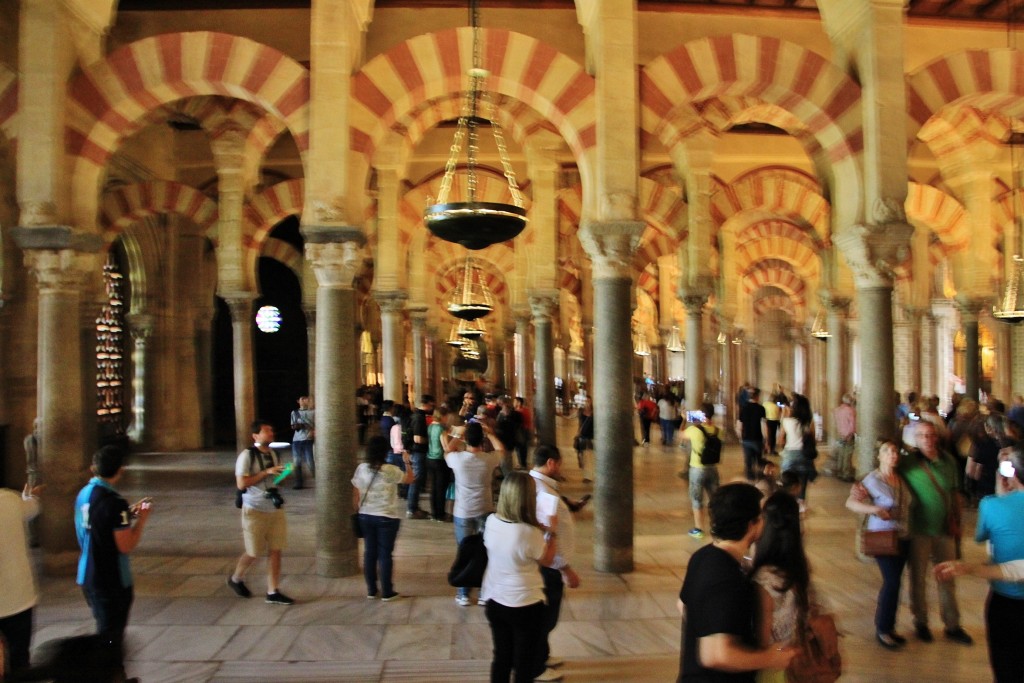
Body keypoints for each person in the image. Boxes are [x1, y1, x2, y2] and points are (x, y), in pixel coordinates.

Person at [678, 482, 795, 682]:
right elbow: (716, 656)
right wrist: (771, 658)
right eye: (761, 517)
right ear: (751, 525)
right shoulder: (727, 578)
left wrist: (711, 626)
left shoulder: (702, 556)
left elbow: (683, 605)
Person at [937, 446, 1024, 682]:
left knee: (1006, 665)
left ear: (1012, 474)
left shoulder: (992, 504)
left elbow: (981, 537)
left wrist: (998, 498)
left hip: (1006, 600)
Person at [74, 445, 153, 673]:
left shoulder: (84, 494)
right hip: (111, 579)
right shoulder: (114, 503)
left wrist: (126, 514)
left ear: (93, 468)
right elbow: (125, 545)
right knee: (111, 639)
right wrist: (142, 520)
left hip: (88, 575)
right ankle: (111, 675)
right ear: (120, 470)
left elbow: (92, 526)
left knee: (104, 630)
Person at [898, 419, 972, 645]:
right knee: (918, 578)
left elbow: (955, 494)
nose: (928, 440)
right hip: (918, 529)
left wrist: (958, 523)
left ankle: (952, 624)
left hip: (944, 529)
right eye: (922, 436)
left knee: (947, 577)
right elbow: (886, 479)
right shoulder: (907, 463)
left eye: (931, 435)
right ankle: (921, 621)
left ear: (936, 437)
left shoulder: (948, 461)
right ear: (915, 440)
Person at [481, 471, 558, 683]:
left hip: (495, 599)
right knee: (524, 663)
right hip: (525, 604)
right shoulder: (528, 533)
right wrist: (552, 532)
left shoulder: (491, 521)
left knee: (502, 658)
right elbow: (548, 560)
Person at [845, 439, 912, 649]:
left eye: (894, 451)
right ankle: (883, 629)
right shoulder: (872, 480)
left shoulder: (899, 479)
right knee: (891, 582)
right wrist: (874, 510)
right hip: (883, 535)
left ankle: (889, 626)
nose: (892, 455)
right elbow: (851, 503)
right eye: (887, 451)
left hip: (902, 535)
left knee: (896, 583)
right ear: (879, 456)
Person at [228, 420, 294, 605]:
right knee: (253, 551)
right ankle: (236, 579)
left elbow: (275, 481)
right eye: (267, 431)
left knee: (276, 549)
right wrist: (266, 472)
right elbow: (242, 484)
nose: (271, 433)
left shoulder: (274, 454)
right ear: (255, 436)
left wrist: (283, 474)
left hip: (274, 508)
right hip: (254, 508)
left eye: (271, 430)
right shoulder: (246, 456)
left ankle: (273, 591)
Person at [530, 445, 581, 683]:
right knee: (546, 619)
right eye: (559, 464)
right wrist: (565, 569)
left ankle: (543, 654)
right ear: (551, 463)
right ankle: (537, 665)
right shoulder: (546, 494)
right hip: (549, 567)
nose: (560, 468)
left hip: (546, 564)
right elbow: (549, 536)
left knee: (543, 616)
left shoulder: (536, 483)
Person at [751, 491, 813, 683]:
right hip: (793, 660)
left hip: (772, 667)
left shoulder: (765, 579)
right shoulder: (798, 566)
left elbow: (763, 640)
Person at [444, 421, 503, 606]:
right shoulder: (488, 459)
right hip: (485, 509)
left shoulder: (458, 459)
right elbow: (502, 450)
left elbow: (447, 451)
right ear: (482, 440)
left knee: (464, 551)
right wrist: (490, 433)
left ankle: (463, 593)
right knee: (485, 550)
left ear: (466, 440)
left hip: (462, 512)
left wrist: (457, 435)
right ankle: (484, 591)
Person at [352, 435, 415, 601]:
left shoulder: (362, 468)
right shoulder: (390, 470)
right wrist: (407, 462)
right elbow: (410, 479)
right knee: (385, 554)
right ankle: (387, 591)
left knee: (369, 553)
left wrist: (358, 511)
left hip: (366, 515)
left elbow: (356, 493)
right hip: (387, 516)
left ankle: (371, 590)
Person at [0, 483, 42, 676]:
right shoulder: (10, 500)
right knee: (19, 662)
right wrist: (29, 496)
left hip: (16, 598)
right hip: (19, 599)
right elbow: (33, 508)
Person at [680, 402, 721, 540]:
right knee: (715, 499)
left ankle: (699, 529)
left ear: (701, 414)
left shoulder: (694, 430)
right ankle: (717, 527)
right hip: (713, 468)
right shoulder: (717, 430)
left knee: (697, 500)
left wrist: (685, 419)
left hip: (697, 469)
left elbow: (681, 436)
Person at [779, 393, 815, 501]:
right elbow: (813, 440)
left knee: (787, 484)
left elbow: (780, 440)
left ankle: (788, 504)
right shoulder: (809, 423)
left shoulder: (787, 421)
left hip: (790, 455)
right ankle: (801, 506)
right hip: (804, 456)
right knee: (802, 486)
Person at [406, 394, 435, 519]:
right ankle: (412, 509)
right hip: (418, 452)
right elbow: (417, 439)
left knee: (418, 480)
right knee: (416, 481)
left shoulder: (418, 415)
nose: (432, 407)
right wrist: (431, 441)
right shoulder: (419, 418)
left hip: (418, 452)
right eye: (431, 404)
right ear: (427, 403)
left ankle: (414, 507)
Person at [426, 404, 452, 522]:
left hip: (430, 458)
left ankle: (434, 513)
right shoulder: (442, 429)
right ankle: (440, 514)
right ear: (442, 416)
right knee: (441, 488)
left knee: (434, 488)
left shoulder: (430, 426)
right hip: (440, 460)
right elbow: (446, 446)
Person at [737, 387, 767, 481]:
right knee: (758, 459)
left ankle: (750, 478)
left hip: (746, 439)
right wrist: (766, 439)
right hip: (757, 438)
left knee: (748, 461)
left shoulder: (743, 409)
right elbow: (763, 425)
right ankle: (759, 477)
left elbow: (739, 425)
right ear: (757, 397)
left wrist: (740, 438)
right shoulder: (761, 409)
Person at [289, 395, 315, 489]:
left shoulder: (313, 412)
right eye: (302, 399)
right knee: (296, 462)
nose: (305, 401)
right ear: (298, 401)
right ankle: (298, 482)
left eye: (306, 399)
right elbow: (292, 426)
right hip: (296, 440)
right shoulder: (294, 412)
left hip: (308, 439)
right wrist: (297, 426)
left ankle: (318, 479)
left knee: (310, 461)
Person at [832, 394, 856, 482]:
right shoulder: (850, 410)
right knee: (847, 455)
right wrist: (850, 434)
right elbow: (852, 424)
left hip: (840, 435)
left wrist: (841, 433)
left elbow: (836, 423)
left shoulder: (837, 410)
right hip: (849, 435)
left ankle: (840, 472)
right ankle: (846, 474)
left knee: (841, 453)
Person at [575, 398, 595, 482]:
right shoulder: (581, 412)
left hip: (589, 438)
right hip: (581, 437)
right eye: (586, 401)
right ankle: (586, 474)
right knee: (582, 457)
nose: (587, 403)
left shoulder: (594, 414)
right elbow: (579, 424)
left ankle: (588, 476)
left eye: (588, 401)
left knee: (588, 458)